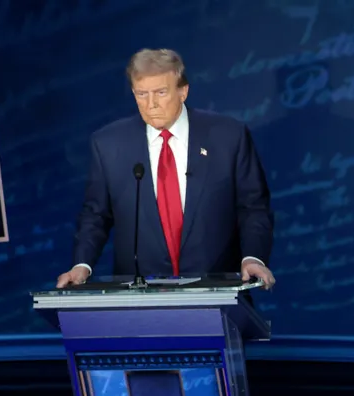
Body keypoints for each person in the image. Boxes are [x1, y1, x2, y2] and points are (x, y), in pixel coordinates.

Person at [56, 48, 276, 289]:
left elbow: (253, 207)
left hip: (217, 290)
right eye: (142, 94)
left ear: (183, 91)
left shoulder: (228, 136)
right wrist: (82, 265)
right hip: (139, 299)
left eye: (161, 92)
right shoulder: (108, 145)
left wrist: (253, 257)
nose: (151, 105)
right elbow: (95, 215)